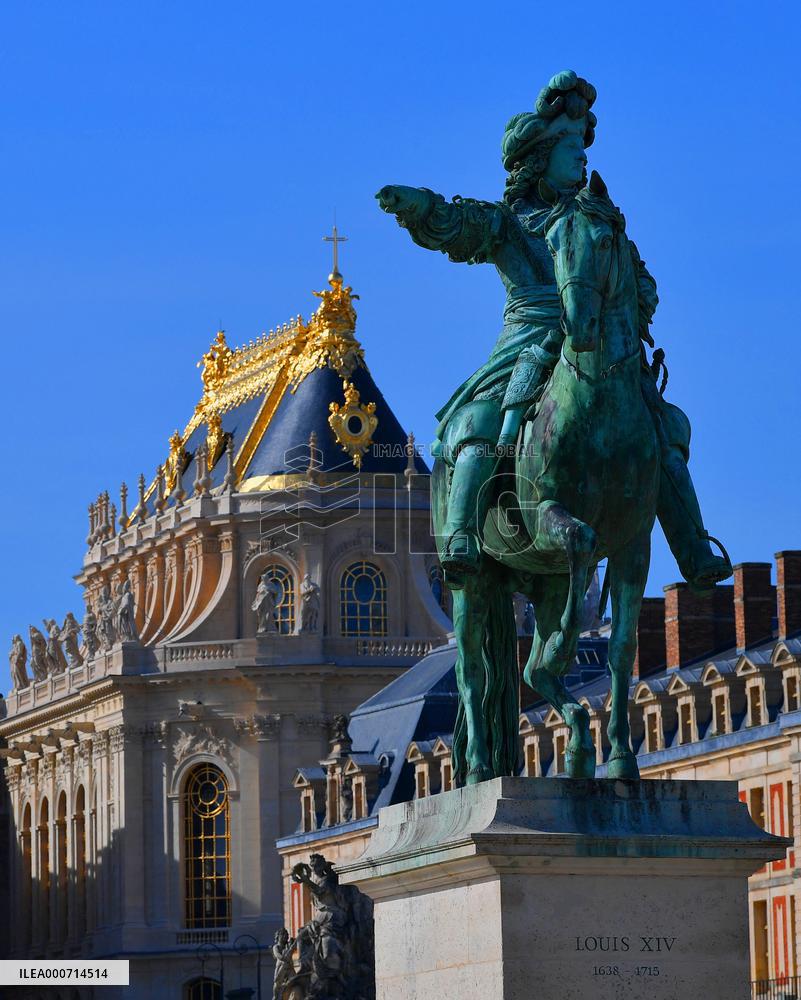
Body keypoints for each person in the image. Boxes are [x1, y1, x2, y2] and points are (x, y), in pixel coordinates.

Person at [377, 69, 730, 593]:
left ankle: (693, 543)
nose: (582, 155)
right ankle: (460, 536)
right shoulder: (509, 222)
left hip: (598, 344)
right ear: (540, 157)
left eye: (583, 143)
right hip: (527, 340)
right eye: (570, 144)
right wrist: (420, 206)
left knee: (665, 428)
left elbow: (644, 287)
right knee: (477, 423)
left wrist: (628, 295)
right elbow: (456, 224)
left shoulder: (601, 225)